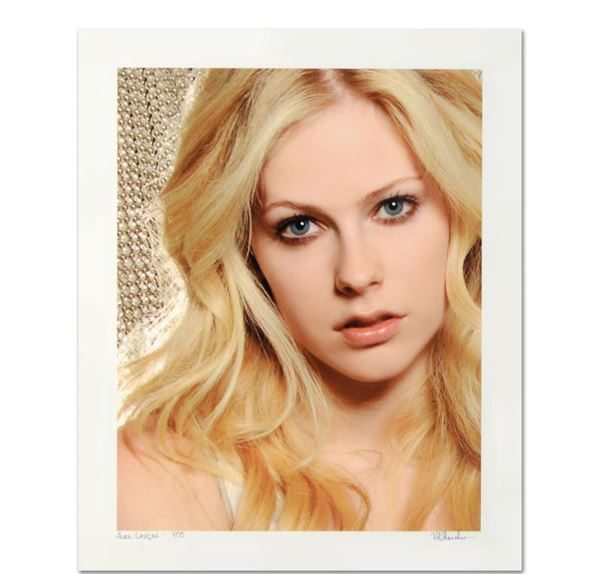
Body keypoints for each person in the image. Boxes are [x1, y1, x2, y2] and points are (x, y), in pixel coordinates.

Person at [117, 68, 481, 531]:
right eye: (299, 227)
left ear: (463, 206)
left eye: (394, 207)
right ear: (246, 250)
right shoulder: (160, 477)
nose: (356, 275)